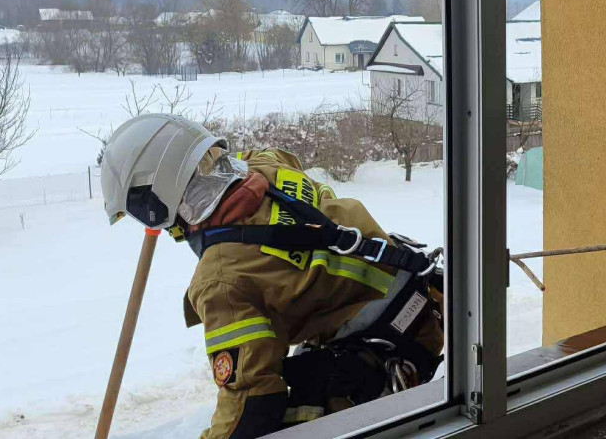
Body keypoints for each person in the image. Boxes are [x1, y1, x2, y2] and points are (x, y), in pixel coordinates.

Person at [100, 113, 444, 439]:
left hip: (393, 349)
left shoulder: (221, 280)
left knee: (297, 419)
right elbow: (245, 167)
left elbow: (252, 403)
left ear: (153, 204)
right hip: (419, 298)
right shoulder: (267, 165)